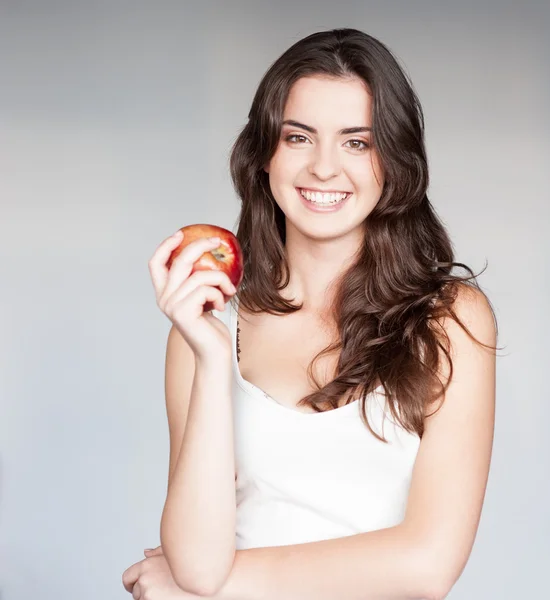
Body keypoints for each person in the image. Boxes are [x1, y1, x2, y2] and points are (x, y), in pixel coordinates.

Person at [123, 27, 499, 600]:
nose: (324, 168)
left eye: (357, 142)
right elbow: (197, 562)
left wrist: (221, 586)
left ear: (393, 161)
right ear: (264, 154)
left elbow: (427, 565)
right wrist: (211, 353)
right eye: (299, 137)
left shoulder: (449, 320)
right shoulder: (208, 330)